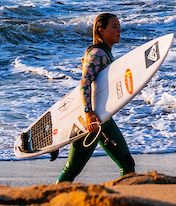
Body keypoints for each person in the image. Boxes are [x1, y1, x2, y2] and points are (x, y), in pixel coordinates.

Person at [57, 13, 136, 183]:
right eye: (114, 26)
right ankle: (49, 201)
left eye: (119, 26)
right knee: (71, 170)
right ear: (101, 30)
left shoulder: (105, 53)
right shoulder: (97, 53)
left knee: (128, 164)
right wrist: (88, 112)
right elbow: (85, 83)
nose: (119, 30)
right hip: (90, 122)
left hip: (103, 119)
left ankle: (126, 202)